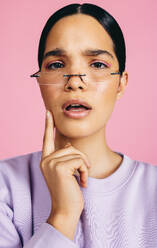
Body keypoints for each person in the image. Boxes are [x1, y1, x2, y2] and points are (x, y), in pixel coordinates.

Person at [0, 3, 157, 248]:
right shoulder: (5, 185)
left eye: (97, 65)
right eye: (57, 65)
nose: (75, 82)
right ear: (40, 81)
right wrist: (62, 216)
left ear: (121, 84)